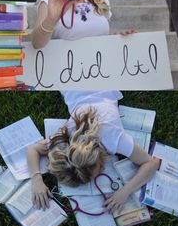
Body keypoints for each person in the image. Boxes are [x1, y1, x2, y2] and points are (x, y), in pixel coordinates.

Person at [27, 91, 160, 214]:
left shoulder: (113, 138)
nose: (100, 171)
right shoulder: (65, 141)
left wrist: (126, 191)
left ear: (97, 158)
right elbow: (33, 150)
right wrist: (36, 179)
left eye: (98, 169)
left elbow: (151, 163)